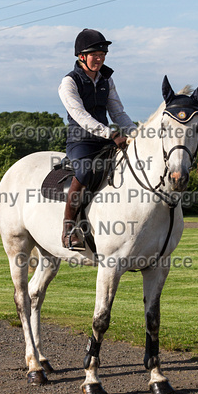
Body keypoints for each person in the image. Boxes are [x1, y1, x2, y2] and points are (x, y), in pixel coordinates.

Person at [58, 28, 137, 250]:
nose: (100, 58)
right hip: (80, 141)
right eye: (95, 54)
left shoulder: (106, 80)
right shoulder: (69, 82)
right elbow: (80, 116)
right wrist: (110, 133)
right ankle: (68, 229)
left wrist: (135, 134)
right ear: (81, 56)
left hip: (105, 140)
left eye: (103, 54)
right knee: (85, 171)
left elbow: (118, 112)